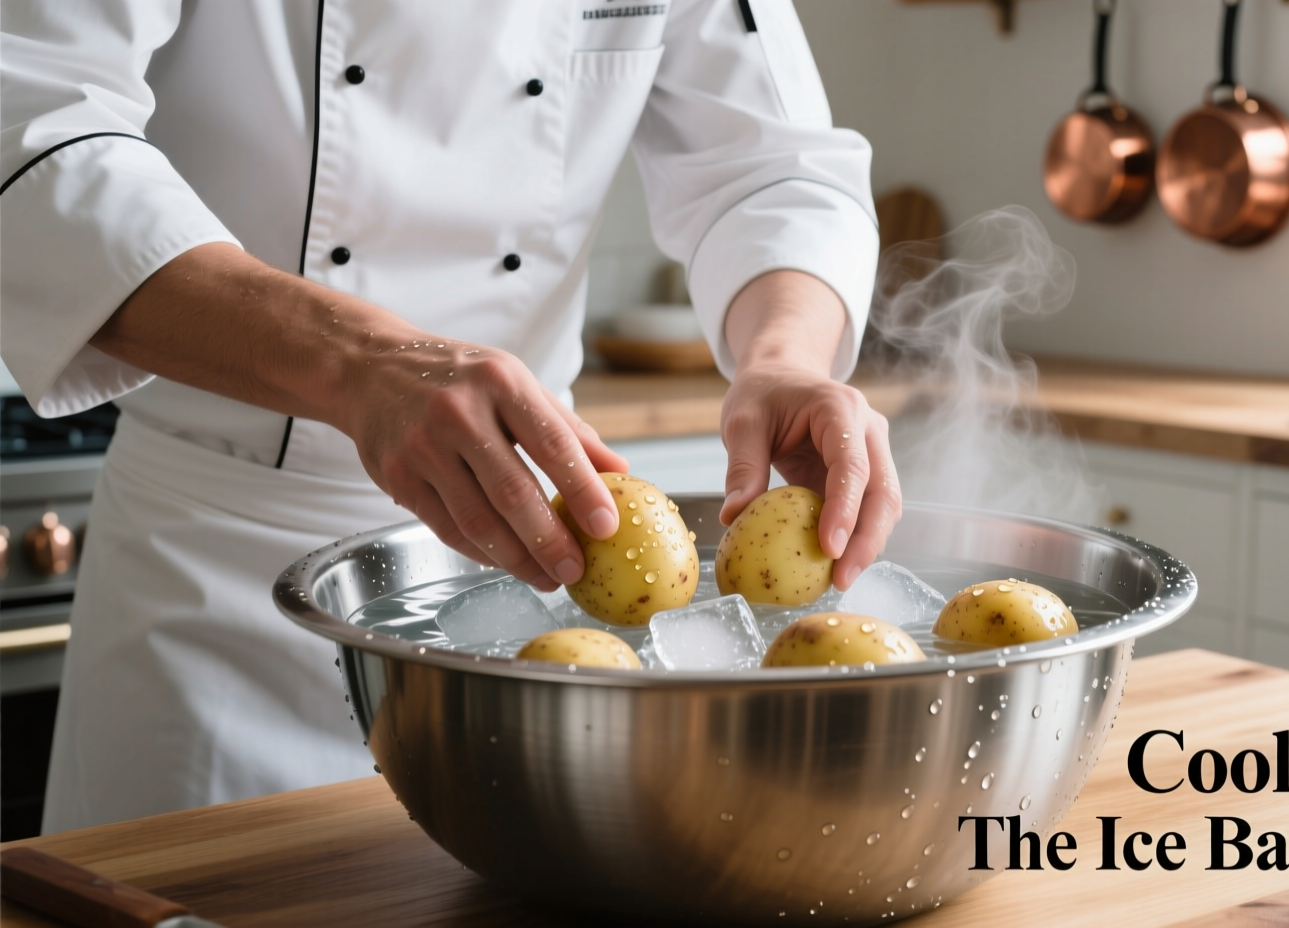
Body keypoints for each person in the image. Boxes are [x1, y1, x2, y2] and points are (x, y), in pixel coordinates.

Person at [1, 0, 899, 832]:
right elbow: (32, 129)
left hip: (532, 588)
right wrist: (357, 361)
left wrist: (783, 358)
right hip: (218, 585)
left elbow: (774, 169)